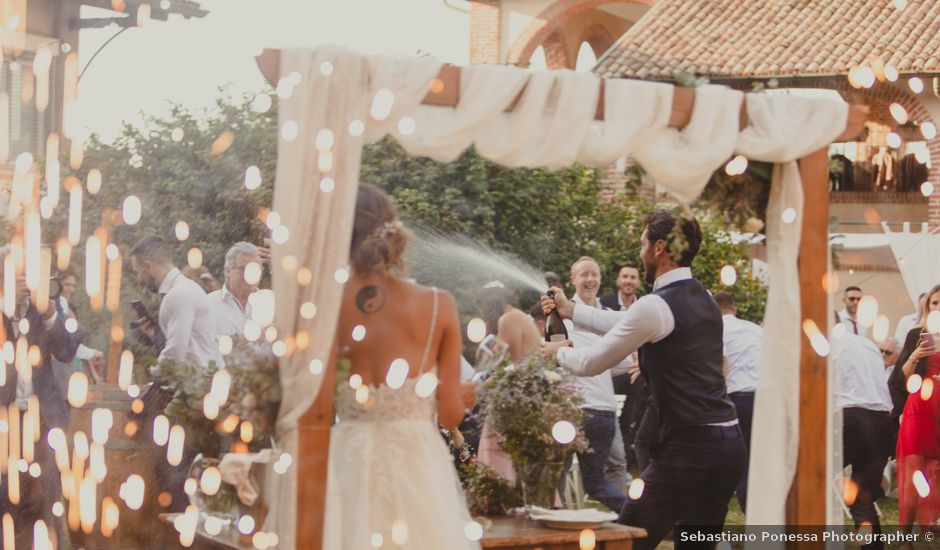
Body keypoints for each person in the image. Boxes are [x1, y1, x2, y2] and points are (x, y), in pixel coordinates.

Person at [541, 209, 744, 549]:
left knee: (626, 539)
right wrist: (571, 310)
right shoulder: (705, 298)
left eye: (642, 244)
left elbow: (593, 361)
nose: (640, 252)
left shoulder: (656, 305)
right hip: (728, 444)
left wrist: (555, 353)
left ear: (659, 248)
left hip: (689, 446)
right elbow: (629, 323)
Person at [323, 183, 478, 549]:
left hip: (349, 458)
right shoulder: (439, 304)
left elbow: (319, 400)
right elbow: (452, 414)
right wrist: (457, 395)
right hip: (416, 458)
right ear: (392, 232)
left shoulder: (329, 305)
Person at [0, 251, 78, 548]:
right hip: (5, 422)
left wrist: (49, 315)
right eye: (17, 275)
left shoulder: (46, 309)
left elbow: (67, 352)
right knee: (5, 501)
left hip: (42, 421)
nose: (24, 282)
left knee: (41, 501)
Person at [560, 256, 628, 511]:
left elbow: (622, 362)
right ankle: (560, 525)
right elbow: (555, 360)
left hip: (603, 407)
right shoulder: (561, 320)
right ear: (573, 280)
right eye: (584, 275)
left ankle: (629, 520)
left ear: (600, 279)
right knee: (560, 471)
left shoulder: (610, 317)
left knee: (614, 465)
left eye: (594, 275)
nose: (590, 280)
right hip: (571, 409)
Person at [832, 326, 894, 550]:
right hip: (881, 421)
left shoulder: (824, 343)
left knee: (810, 479)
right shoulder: (866, 343)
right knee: (863, 497)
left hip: (849, 418)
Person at [889, 284, 940, 538]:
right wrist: (917, 354)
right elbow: (902, 377)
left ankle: (931, 524)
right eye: (935, 303)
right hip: (919, 406)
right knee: (913, 471)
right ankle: (905, 537)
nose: (938, 308)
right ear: (927, 306)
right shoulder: (916, 335)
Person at [475, 284, 541, 482]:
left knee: (498, 458)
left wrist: (475, 389)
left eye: (482, 310)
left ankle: (501, 502)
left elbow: (508, 370)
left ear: (489, 305)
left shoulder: (509, 319)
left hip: (514, 404)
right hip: (523, 399)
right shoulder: (518, 316)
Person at [129, 235, 221, 367]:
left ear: (148, 266)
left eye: (138, 272)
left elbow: (175, 353)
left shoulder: (179, 294)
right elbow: (189, 343)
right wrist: (155, 335)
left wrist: (156, 375)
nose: (139, 280)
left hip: (200, 382)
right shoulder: (182, 289)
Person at [713, 291, 761, 513]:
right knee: (758, 465)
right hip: (763, 401)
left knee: (738, 464)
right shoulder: (756, 330)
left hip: (735, 401)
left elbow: (719, 370)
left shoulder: (714, 330)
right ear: (735, 310)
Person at [600, 264, 646, 472]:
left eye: (633, 277)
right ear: (618, 280)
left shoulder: (644, 306)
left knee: (639, 383)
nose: (628, 281)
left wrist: (642, 362)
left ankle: (627, 454)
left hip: (634, 371)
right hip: (608, 370)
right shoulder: (605, 303)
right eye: (625, 276)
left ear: (638, 282)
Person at [54, 269, 105, 386]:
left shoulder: (66, 306)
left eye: (73, 285)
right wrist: (91, 353)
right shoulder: (60, 303)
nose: (71, 289)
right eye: (66, 285)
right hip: (61, 366)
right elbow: (65, 343)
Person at [207, 242, 262, 338]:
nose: (250, 275)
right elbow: (204, 344)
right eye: (243, 269)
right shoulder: (209, 305)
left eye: (255, 269)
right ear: (228, 271)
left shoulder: (270, 304)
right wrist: (238, 341)